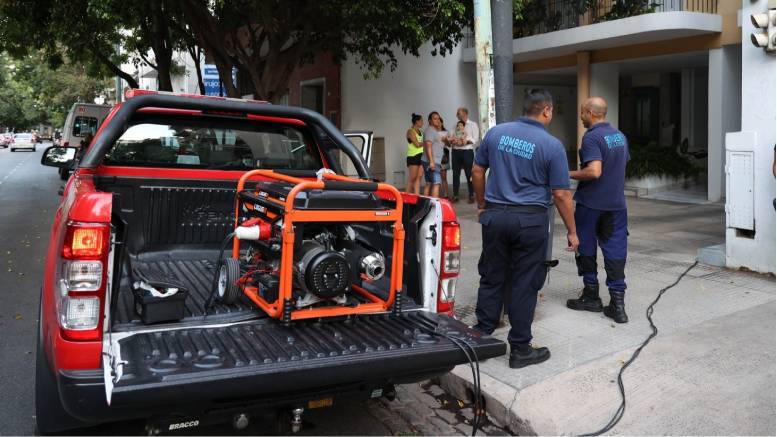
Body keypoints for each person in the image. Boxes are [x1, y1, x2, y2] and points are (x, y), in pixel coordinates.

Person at [471, 89, 578, 369]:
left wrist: (481, 204)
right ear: (546, 111)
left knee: (492, 275)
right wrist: (572, 231)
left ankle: (481, 336)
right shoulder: (551, 145)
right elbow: (561, 194)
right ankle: (520, 349)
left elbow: (477, 171)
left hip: (494, 216)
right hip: (529, 221)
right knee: (524, 283)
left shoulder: (497, 133)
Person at [567, 97, 630, 324]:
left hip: (591, 203)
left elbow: (594, 171)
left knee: (584, 245)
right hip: (616, 205)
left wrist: (567, 174)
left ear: (590, 113)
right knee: (615, 249)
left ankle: (591, 296)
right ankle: (618, 305)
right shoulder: (619, 136)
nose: (581, 116)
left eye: (582, 112)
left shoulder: (592, 137)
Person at [451, 107, 480, 203]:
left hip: (467, 152)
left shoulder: (473, 125)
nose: (458, 116)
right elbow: (451, 136)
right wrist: (453, 141)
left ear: (465, 114)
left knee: (469, 174)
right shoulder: (455, 125)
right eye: (457, 114)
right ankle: (455, 195)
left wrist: (465, 142)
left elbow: (475, 139)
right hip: (455, 152)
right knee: (455, 174)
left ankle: (471, 195)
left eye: (459, 114)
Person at [422, 111, 448, 198]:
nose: (437, 120)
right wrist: (432, 162)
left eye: (438, 118)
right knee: (436, 184)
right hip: (433, 161)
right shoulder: (430, 130)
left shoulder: (433, 131)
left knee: (429, 183)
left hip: (429, 160)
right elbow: (428, 147)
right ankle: (434, 207)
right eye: (435, 118)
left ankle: (424, 204)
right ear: (430, 121)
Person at [406, 114, 425, 195]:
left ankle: (416, 197)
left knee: (419, 178)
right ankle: (405, 198)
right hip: (413, 156)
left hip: (422, 156)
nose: (423, 122)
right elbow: (417, 144)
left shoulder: (421, 132)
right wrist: (427, 142)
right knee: (412, 178)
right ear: (416, 122)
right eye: (421, 121)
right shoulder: (410, 131)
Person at [439, 117, 450, 199]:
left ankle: (446, 194)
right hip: (434, 154)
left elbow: (449, 145)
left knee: (443, 176)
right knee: (434, 176)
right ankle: (436, 194)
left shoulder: (446, 132)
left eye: (440, 122)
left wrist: (445, 140)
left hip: (444, 154)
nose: (438, 123)